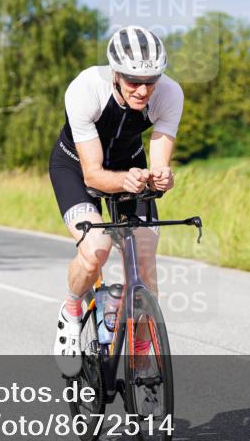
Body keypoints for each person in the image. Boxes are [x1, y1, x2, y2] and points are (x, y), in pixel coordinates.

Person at [49, 25, 184, 375]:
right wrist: (125, 179)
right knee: (96, 248)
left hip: (129, 167)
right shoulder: (85, 89)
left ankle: (140, 350)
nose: (143, 90)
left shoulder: (170, 94)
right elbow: (93, 174)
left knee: (144, 258)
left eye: (150, 80)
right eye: (132, 81)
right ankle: (71, 310)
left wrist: (160, 176)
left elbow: (158, 160)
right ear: (115, 73)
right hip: (76, 169)